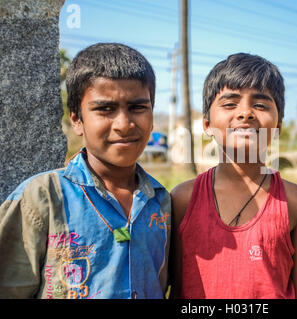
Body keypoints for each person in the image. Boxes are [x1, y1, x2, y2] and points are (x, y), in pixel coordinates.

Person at [0, 43, 171, 299]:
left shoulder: (161, 201)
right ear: (77, 120)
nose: (124, 125)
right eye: (105, 109)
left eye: (138, 108)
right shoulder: (41, 197)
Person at [170, 53, 297, 299]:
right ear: (207, 124)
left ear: (278, 126)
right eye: (230, 104)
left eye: (260, 105)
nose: (245, 113)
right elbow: (177, 289)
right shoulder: (183, 199)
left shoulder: (296, 202)